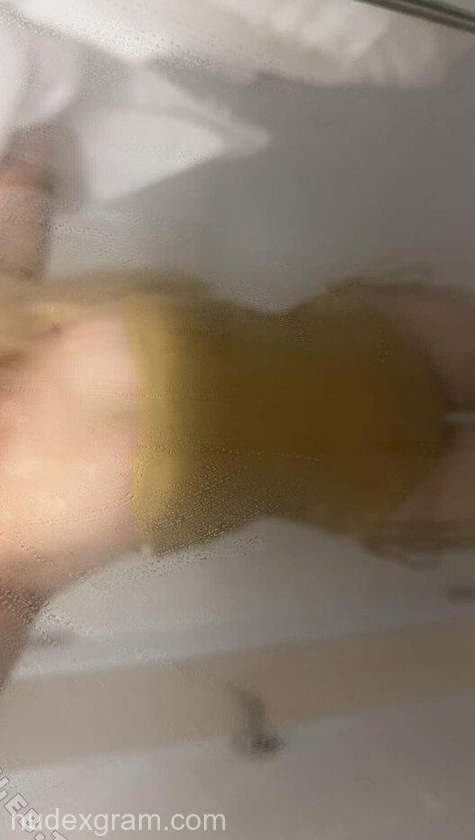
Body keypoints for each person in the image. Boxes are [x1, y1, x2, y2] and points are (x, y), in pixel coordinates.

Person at [1, 145, 475, 688]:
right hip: (395, 487)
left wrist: (35, 136)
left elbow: (28, 165)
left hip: (391, 338)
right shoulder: (7, 572)